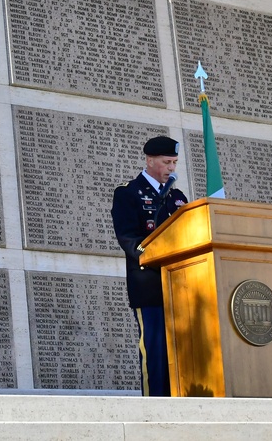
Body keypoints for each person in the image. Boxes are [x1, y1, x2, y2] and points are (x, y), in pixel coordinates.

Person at [111, 135, 188, 397]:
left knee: (183, 351)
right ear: (150, 160)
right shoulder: (128, 193)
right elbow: (129, 240)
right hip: (150, 286)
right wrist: (159, 255)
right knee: (155, 351)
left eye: (175, 162)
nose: (171, 168)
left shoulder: (178, 198)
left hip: (182, 288)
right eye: (167, 162)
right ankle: (156, 405)